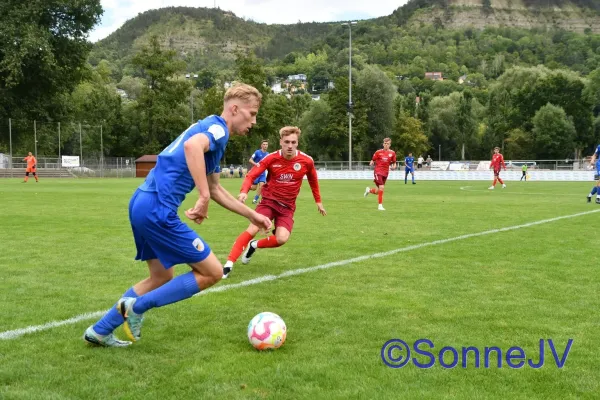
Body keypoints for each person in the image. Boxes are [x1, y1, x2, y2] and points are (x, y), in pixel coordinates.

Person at [83, 83, 272, 347]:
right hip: (157, 208)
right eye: (251, 114)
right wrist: (202, 196)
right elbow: (193, 148)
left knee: (161, 277)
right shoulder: (218, 129)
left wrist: (253, 215)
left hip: (141, 202)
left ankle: (100, 330)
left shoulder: (211, 130)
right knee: (212, 272)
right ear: (235, 108)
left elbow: (216, 189)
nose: (254, 121)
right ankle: (137, 307)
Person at [222, 126, 326, 279]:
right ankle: (228, 264)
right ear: (281, 142)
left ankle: (254, 245)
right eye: (286, 142)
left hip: (288, 207)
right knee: (252, 229)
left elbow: (313, 180)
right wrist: (244, 192)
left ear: (297, 143)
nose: (290, 146)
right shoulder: (271, 158)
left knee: (282, 238)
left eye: (293, 142)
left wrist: (318, 201)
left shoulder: (306, 161)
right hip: (269, 202)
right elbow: (251, 175)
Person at [364, 138, 397, 211]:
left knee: (378, 191)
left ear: (390, 145)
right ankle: (380, 206)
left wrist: (394, 166)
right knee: (382, 187)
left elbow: (394, 162)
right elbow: (373, 159)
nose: (386, 145)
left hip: (385, 173)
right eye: (385, 143)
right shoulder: (378, 152)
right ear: (383, 144)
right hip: (378, 172)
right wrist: (372, 162)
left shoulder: (392, 153)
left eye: (387, 144)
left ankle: (369, 190)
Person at [249, 140, 269, 204]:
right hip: (256, 173)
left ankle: (255, 200)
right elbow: (250, 160)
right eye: (264, 144)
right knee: (254, 188)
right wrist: (255, 164)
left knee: (261, 186)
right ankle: (247, 188)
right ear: (261, 145)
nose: (265, 146)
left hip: (262, 174)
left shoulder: (268, 154)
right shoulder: (257, 152)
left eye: (266, 144)